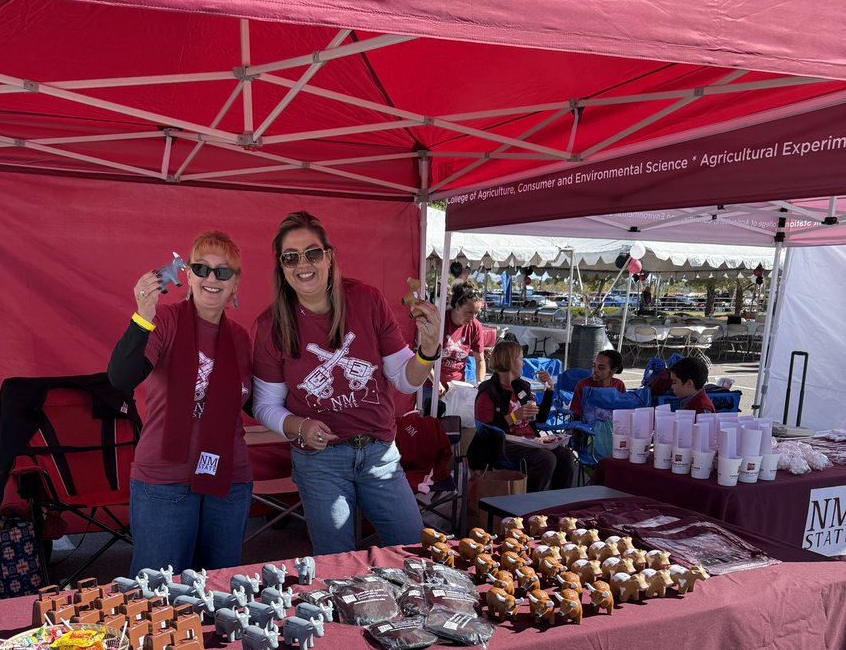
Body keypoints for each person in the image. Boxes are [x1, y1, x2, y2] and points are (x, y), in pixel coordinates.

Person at [251, 209, 443, 555]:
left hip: (379, 452)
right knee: (336, 565)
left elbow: (404, 379)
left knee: (415, 552)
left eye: (312, 252)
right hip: (319, 461)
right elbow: (264, 404)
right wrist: (299, 426)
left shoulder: (366, 300)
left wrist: (427, 351)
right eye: (290, 257)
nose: (302, 264)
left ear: (329, 256)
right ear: (281, 267)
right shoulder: (271, 325)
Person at [107, 230, 253, 576]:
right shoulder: (165, 322)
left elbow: (257, 401)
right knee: (159, 599)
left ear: (235, 283)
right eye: (202, 268)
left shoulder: (241, 338)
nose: (211, 278)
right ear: (187, 274)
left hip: (228, 483)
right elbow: (122, 377)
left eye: (223, 271)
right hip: (164, 482)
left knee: (221, 595)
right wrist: (143, 313)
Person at [469, 341, 575, 492]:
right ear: (510, 361)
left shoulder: (521, 386)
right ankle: (525, 504)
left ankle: (558, 502)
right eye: (520, 358)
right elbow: (486, 432)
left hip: (529, 441)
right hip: (501, 445)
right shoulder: (488, 391)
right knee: (546, 459)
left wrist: (549, 390)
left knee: (565, 455)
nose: (524, 363)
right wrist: (513, 417)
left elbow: (540, 418)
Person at [569, 349, 626, 419]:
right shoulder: (583, 385)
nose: (595, 371)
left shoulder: (619, 385)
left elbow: (622, 411)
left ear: (614, 370)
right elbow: (575, 413)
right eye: (594, 366)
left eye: (601, 368)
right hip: (586, 427)